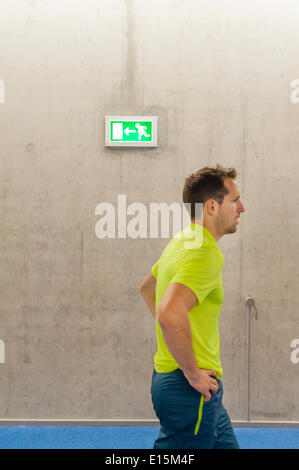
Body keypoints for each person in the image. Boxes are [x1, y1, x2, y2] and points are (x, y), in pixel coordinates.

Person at [139, 165, 245, 449]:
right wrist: (192, 372)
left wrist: (177, 336)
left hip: (193, 385)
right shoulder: (205, 252)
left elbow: (148, 288)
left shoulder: (183, 241)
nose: (241, 207)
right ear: (212, 206)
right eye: (235, 199)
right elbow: (168, 313)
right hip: (190, 387)